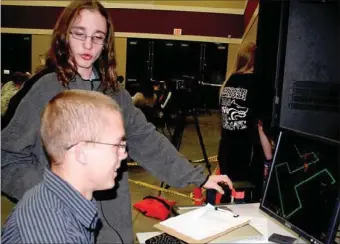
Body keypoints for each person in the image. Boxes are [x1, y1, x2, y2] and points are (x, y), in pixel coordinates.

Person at [1, 1, 233, 243]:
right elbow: (7, 159)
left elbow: (147, 140)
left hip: (113, 231)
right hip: (57, 226)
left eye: (98, 37)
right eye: (80, 34)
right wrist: (53, 196)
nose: (88, 45)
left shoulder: (114, 92)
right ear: (64, 36)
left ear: (106, 43)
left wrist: (199, 178)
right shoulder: (44, 89)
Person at [2, 90, 127, 243]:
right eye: (117, 145)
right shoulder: (56, 231)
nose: (124, 154)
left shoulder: (48, 197)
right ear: (82, 153)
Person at [218, 42, 258, 202]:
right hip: (244, 151)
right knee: (243, 199)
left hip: (226, 148)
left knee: (227, 194)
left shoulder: (229, 80)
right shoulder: (254, 82)